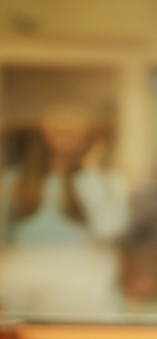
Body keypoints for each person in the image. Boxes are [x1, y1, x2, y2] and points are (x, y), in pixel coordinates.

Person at [0, 102, 130, 318]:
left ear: (90, 134)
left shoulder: (106, 183)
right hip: (27, 304)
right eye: (57, 120)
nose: (65, 128)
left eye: (74, 122)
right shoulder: (13, 183)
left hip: (85, 305)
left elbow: (109, 229)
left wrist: (89, 175)